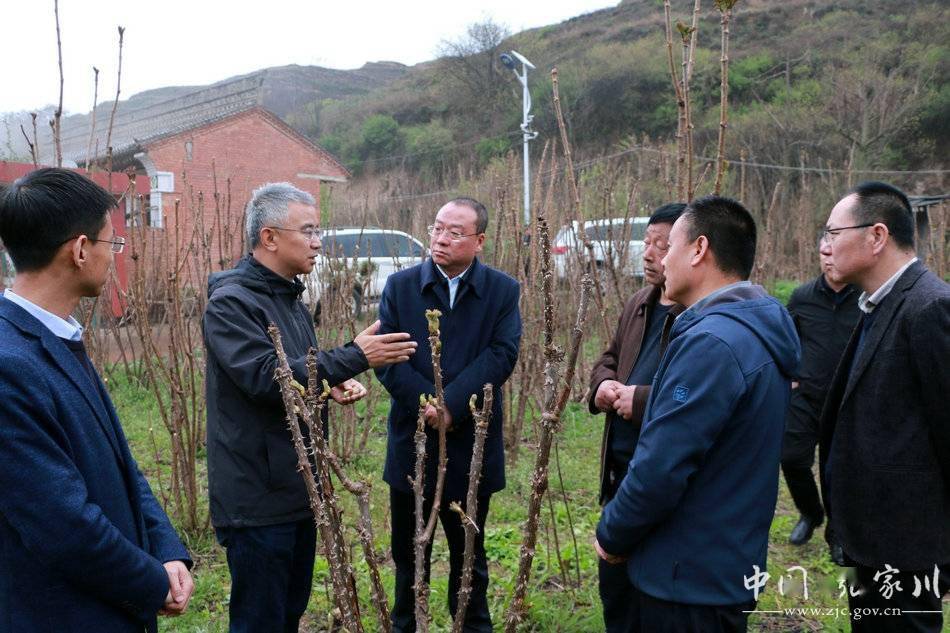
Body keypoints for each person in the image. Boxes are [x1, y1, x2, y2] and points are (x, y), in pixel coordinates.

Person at [203, 182, 417, 633]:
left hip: (299, 484)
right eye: (309, 230)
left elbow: (299, 372)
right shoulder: (231, 304)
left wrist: (330, 385)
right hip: (256, 493)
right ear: (269, 237)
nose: (319, 241)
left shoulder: (290, 300)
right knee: (260, 620)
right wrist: (355, 356)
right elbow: (265, 376)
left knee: (289, 612)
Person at [0, 167, 194, 632]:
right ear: (81, 250)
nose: (116, 257)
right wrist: (151, 582)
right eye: (114, 244)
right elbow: (64, 526)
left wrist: (166, 549)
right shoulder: (10, 364)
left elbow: (120, 463)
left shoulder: (56, 337)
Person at [594, 195, 800, 632]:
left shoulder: (713, 343)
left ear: (699, 249)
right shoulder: (751, 327)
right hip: (720, 561)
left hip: (686, 577)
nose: (660, 259)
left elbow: (662, 466)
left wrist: (610, 534)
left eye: (669, 247)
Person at [375, 197, 521, 632]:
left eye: (455, 232)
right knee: (408, 556)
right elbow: (386, 358)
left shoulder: (501, 290)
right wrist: (426, 404)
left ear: (479, 241)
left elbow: (502, 354)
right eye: (438, 228)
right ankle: (407, 625)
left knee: (469, 556)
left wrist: (452, 406)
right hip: (413, 442)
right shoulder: (401, 287)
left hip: (472, 442)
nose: (441, 238)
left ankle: (471, 624)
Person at [817, 181, 950, 632]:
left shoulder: (930, 308)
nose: (825, 246)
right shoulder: (878, 304)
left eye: (834, 233)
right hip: (868, 538)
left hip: (906, 544)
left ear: (876, 236)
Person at [587, 202, 686, 632]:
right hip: (619, 473)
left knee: (654, 591)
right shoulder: (639, 304)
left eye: (662, 246)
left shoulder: (698, 317)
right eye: (647, 243)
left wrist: (640, 400)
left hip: (660, 478)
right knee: (616, 590)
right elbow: (608, 358)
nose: (648, 254)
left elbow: (693, 396)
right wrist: (602, 386)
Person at [782, 245, 860, 546]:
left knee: (837, 469)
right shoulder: (802, 297)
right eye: (823, 254)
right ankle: (810, 513)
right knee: (791, 458)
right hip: (805, 395)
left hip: (845, 400)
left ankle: (837, 533)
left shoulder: (864, 298)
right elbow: (787, 339)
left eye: (835, 253)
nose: (829, 259)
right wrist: (789, 375)